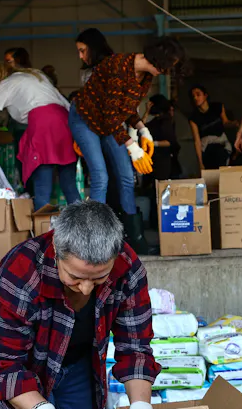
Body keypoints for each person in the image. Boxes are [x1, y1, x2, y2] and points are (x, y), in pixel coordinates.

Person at [0, 200, 160, 409]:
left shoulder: (128, 269)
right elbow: (4, 362)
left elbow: (135, 348)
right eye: (75, 277)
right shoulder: (22, 271)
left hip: (77, 364)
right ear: (57, 251)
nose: (86, 288)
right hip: (16, 367)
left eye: (99, 278)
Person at [70, 35, 189, 254]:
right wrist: (132, 146)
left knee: (126, 176)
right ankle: (94, 240)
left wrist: (143, 129)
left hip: (108, 122)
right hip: (85, 118)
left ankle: (132, 237)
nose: (166, 72)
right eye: (167, 67)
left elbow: (124, 109)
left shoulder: (145, 76)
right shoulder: (117, 66)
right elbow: (110, 115)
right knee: (101, 176)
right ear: (158, 60)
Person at [0, 62, 79, 210]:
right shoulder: (36, 76)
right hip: (64, 120)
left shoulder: (5, 84)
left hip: (43, 124)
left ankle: (42, 230)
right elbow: (64, 103)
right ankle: (84, 226)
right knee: (69, 184)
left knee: (42, 185)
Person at [188, 85, 238, 172]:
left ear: (205, 95)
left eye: (198, 94)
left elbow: (225, 122)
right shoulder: (194, 117)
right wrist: (200, 163)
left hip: (221, 143)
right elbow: (197, 141)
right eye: (193, 96)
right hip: (207, 148)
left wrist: (235, 124)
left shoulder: (217, 107)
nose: (195, 98)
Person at [142, 94, 181, 181]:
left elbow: (170, 141)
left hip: (163, 160)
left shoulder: (165, 121)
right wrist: (146, 112)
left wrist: (153, 143)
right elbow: (141, 128)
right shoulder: (156, 120)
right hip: (154, 158)